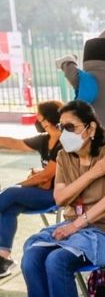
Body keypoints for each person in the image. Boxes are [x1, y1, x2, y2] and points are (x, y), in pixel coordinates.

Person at [21, 100, 105, 297]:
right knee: (32, 256)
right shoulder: (63, 156)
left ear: (90, 129)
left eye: (70, 126)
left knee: (57, 260)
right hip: (75, 229)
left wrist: (76, 225)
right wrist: (91, 175)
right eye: (61, 126)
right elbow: (60, 198)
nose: (64, 132)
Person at [0, 100, 64, 277]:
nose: (37, 119)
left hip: (56, 196)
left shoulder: (64, 143)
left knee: (11, 192)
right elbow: (16, 143)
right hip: (41, 193)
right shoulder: (45, 140)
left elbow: (46, 176)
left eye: (40, 116)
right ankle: (3, 258)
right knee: (11, 206)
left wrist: (19, 185)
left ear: (48, 120)